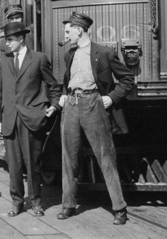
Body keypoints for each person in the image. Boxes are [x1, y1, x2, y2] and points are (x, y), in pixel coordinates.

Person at [57, 12, 134, 225]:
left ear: (79, 30)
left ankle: (119, 208)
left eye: (68, 31)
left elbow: (127, 79)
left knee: (106, 158)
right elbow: (69, 80)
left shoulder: (105, 53)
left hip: (94, 104)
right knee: (68, 159)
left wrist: (110, 98)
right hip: (71, 106)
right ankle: (68, 205)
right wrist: (64, 94)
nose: (66, 36)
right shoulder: (69, 55)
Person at [0, 22, 62, 217]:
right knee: (13, 165)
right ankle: (16, 202)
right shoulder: (2, 60)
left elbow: (54, 86)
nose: (8, 44)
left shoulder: (38, 59)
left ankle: (36, 202)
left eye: (11, 40)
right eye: (6, 40)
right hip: (9, 119)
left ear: (21, 39)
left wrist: (53, 106)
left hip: (31, 119)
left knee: (33, 164)